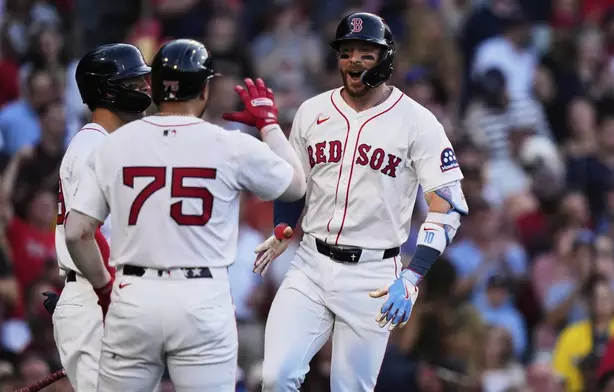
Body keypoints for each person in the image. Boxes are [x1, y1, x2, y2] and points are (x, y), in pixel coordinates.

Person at [237, 12, 468, 391]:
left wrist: (412, 277)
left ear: (386, 59)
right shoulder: (313, 111)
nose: (354, 61)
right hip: (310, 263)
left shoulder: (418, 122)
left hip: (373, 276)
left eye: (366, 53)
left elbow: (449, 207)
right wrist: (284, 226)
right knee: (276, 377)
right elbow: (295, 184)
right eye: (346, 52)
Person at [63, 38, 306, 392]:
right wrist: (269, 124)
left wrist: (103, 289)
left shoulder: (114, 144)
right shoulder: (229, 144)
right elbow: (296, 185)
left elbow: (76, 233)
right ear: (204, 89)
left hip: (134, 295)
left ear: (156, 87)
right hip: (201, 296)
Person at [52, 43, 152, 392]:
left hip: (102, 293)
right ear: (108, 90)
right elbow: (82, 233)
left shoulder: (108, 143)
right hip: (98, 297)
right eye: (135, 82)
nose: (146, 89)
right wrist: (102, 293)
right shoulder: (94, 146)